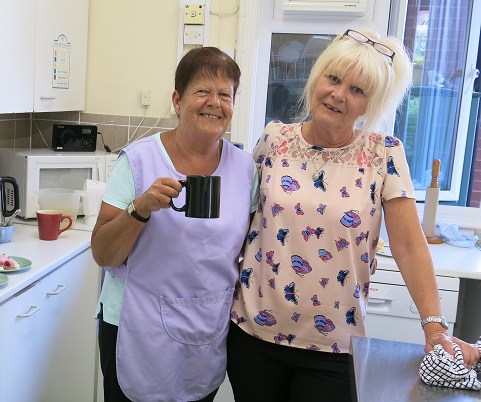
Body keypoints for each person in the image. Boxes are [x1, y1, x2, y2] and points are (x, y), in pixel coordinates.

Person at [226, 28, 480, 402]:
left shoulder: (384, 154)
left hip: (333, 345)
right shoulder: (273, 139)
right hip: (252, 335)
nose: (338, 94)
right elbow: (239, 223)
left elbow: (409, 245)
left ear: (369, 105)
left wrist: (434, 327)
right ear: (317, 79)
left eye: (357, 90)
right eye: (333, 78)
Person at [91, 46, 259, 402]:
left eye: (225, 94)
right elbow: (103, 253)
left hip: (206, 325)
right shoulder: (139, 161)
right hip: (135, 324)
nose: (214, 102)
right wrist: (140, 209)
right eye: (202, 91)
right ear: (177, 100)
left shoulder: (245, 169)